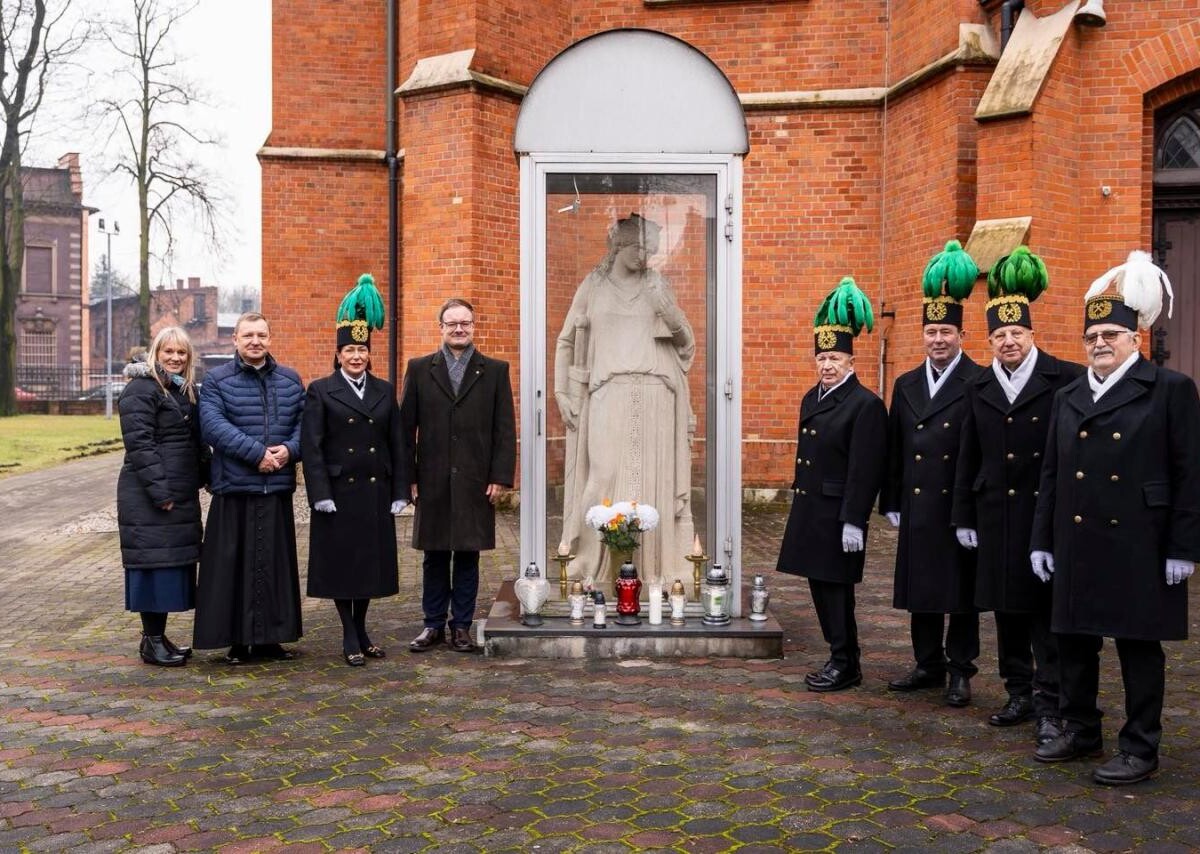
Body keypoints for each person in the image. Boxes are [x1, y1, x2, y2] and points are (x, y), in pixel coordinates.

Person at [1030, 251, 1199, 785]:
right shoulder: (1069, 395)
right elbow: (1052, 474)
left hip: (1141, 541)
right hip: (1077, 536)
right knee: (1074, 639)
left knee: (1137, 646)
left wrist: (1184, 546)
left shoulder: (1169, 390)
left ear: (1136, 338)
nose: (1099, 343)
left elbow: (1189, 472)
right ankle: (1080, 728)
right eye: (1092, 336)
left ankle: (1140, 746)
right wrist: (1042, 538)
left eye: (1110, 334)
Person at [952, 246, 1084, 744]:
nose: (1008, 341)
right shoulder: (978, 385)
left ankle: (1052, 702)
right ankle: (1019, 691)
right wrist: (963, 513)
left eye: (1016, 333)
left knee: (1044, 612)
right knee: (1006, 606)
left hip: (1043, 511)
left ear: (1033, 335)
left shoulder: (1065, 378)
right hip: (994, 513)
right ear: (990, 341)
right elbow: (968, 452)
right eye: (1000, 335)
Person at [554, 213, 696, 589]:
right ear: (619, 245)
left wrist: (665, 308)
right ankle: (592, 566)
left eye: (651, 250)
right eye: (639, 247)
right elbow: (566, 339)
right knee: (600, 476)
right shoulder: (593, 286)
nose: (645, 256)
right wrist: (561, 392)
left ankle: (656, 571)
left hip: (655, 395)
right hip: (607, 392)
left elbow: (686, 343)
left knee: (654, 482)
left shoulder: (657, 285)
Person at [881, 241, 982, 707]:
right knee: (922, 587)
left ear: (961, 335)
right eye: (931, 331)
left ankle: (960, 670)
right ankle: (928, 663)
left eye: (946, 331)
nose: (938, 339)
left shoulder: (978, 382)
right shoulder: (905, 384)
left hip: (958, 504)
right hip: (918, 502)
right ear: (922, 335)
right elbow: (895, 447)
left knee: (960, 594)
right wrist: (893, 499)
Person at [777, 277, 887, 692]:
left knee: (838, 592)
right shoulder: (813, 397)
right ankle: (836, 656)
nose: (827, 365)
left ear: (851, 363)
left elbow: (866, 467)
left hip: (838, 515)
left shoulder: (865, 405)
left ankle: (846, 663)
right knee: (819, 587)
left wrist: (854, 520)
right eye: (822, 357)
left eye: (835, 358)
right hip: (811, 512)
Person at [400, 298, 516, 653]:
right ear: (441, 328)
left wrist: (500, 476)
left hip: (475, 480)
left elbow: (504, 429)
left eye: (465, 323)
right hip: (432, 478)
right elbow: (406, 429)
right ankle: (432, 624)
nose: (459, 329)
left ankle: (461, 626)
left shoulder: (494, 370)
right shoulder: (419, 369)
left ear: (473, 326)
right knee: (434, 555)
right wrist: (409, 477)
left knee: (467, 554)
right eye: (452, 324)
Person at [302, 274, 407, 666]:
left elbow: (397, 442)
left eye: (362, 349)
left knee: (368, 567)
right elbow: (311, 447)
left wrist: (400, 491)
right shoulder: (320, 390)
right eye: (349, 350)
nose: (357, 356)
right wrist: (320, 494)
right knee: (341, 566)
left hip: (375, 492)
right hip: (338, 495)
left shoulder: (383, 390)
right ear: (339, 354)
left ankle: (361, 629)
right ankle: (349, 634)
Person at [194, 312, 305, 664]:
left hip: (275, 488)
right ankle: (237, 641)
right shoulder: (216, 380)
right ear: (235, 340)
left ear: (270, 338)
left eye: (261, 335)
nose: (255, 341)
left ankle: (273, 638)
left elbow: (307, 425)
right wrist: (256, 454)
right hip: (235, 488)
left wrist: (289, 450)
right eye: (248, 335)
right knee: (233, 569)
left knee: (275, 567)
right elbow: (212, 426)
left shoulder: (290, 380)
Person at [116, 326, 208, 667]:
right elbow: (140, 445)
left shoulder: (184, 391)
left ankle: (156, 638)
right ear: (156, 353)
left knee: (169, 566)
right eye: (168, 351)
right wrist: (161, 492)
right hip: (152, 496)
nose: (175, 357)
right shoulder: (142, 389)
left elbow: (193, 442)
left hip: (176, 494)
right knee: (153, 567)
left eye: (181, 353)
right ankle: (152, 641)